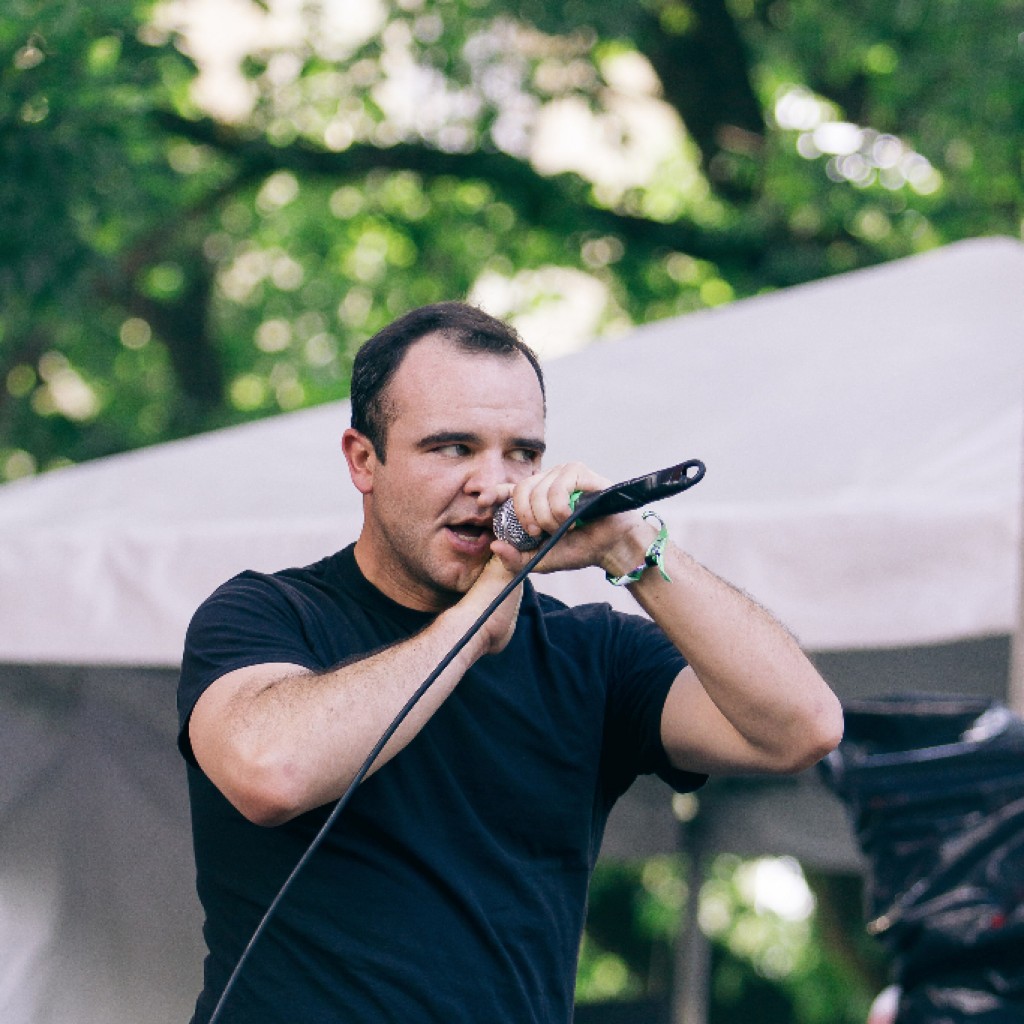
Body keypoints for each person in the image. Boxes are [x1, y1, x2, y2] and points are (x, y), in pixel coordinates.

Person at [177, 301, 843, 1024]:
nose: (493, 484)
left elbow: (802, 728)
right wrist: (474, 623)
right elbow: (271, 772)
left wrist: (630, 545)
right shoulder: (265, 615)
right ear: (363, 460)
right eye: (453, 448)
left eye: (522, 453)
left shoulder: (592, 653)